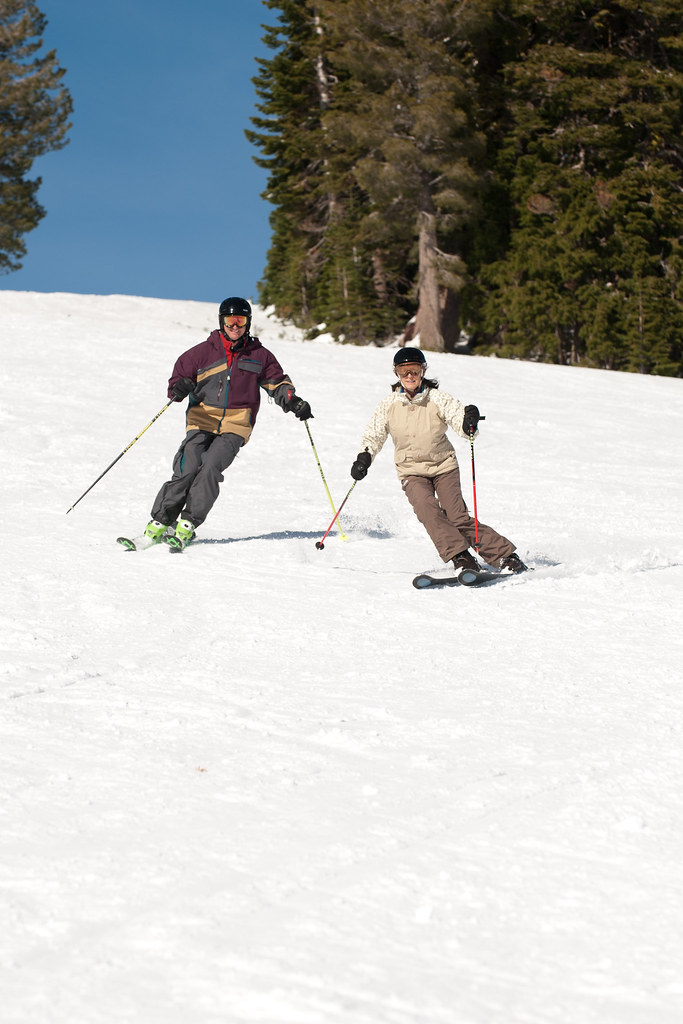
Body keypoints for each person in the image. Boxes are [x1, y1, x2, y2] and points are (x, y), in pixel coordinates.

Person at [140, 297, 312, 548]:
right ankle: (162, 520)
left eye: (240, 320)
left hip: (237, 424)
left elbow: (277, 382)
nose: (235, 326)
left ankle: (187, 523)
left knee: (210, 467)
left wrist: (292, 400)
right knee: (189, 465)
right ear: (221, 322)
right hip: (202, 419)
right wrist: (180, 387)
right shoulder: (201, 353)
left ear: (248, 323)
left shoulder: (259, 355)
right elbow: (176, 384)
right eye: (230, 320)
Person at [349, 347, 527, 575]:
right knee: (427, 509)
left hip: (444, 467)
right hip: (411, 470)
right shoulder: (388, 405)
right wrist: (364, 457)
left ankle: (505, 557)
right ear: (397, 374)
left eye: (414, 370)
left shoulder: (438, 399)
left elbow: (459, 419)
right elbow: (374, 434)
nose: (409, 376)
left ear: (423, 370)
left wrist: (468, 423)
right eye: (404, 371)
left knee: (457, 517)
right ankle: (461, 557)